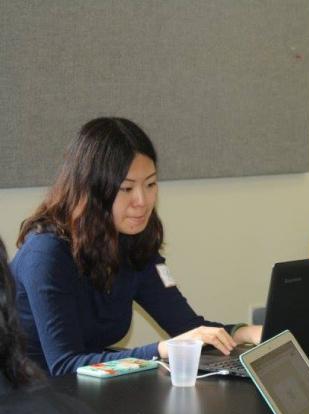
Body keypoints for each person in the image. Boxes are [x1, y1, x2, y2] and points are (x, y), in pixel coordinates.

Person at [10, 117, 259, 376]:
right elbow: (64, 365)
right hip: (25, 392)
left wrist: (248, 332)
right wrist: (164, 349)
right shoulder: (46, 254)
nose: (142, 201)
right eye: (126, 188)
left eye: (150, 184)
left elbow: (187, 328)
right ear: (92, 191)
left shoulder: (133, 242)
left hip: (83, 391)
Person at [0, 236, 122, 414]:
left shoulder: (134, 247)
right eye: (126, 191)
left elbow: (183, 322)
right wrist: (157, 350)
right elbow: (65, 361)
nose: (140, 202)